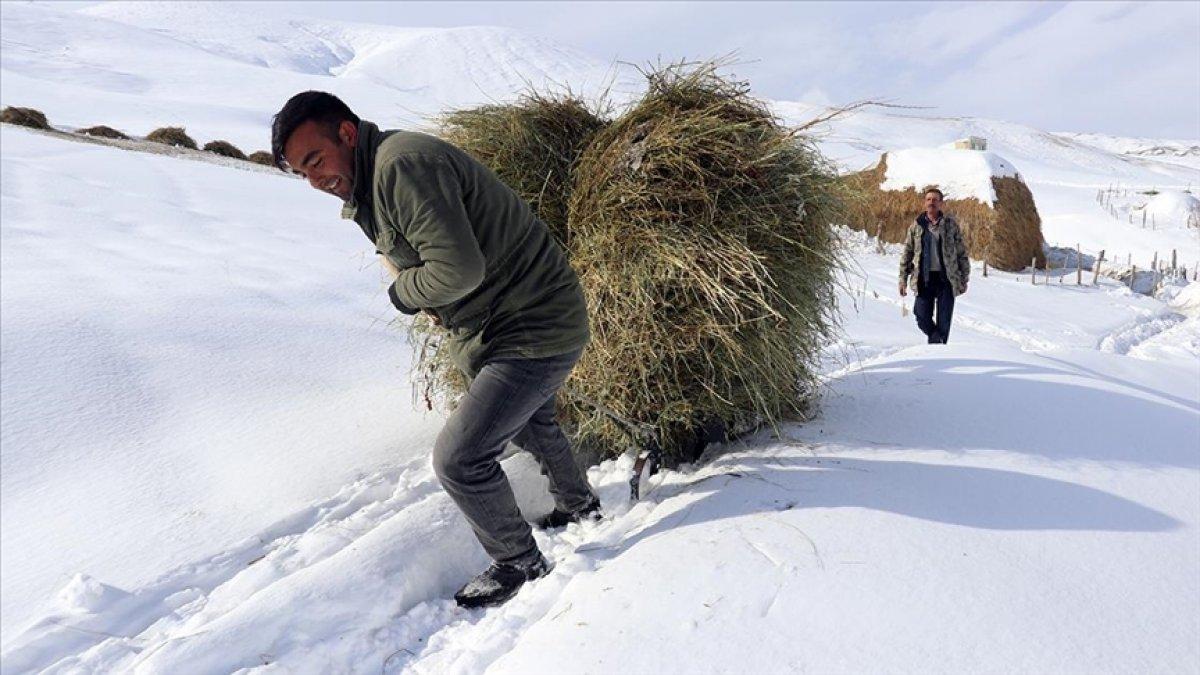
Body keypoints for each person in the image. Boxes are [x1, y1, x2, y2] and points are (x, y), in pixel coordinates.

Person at [270, 91, 601, 609]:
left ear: (347, 134)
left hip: (533, 326)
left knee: (460, 459)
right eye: (301, 173)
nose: (314, 180)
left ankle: (519, 562)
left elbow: (457, 271)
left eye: (315, 160)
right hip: (517, 320)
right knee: (536, 420)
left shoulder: (401, 166)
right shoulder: (375, 178)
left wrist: (404, 293)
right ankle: (580, 507)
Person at [898, 187, 970, 344]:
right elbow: (907, 253)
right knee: (920, 314)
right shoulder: (916, 226)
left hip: (947, 279)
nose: (932, 203)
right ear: (925, 203)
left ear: (941, 203)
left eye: (935, 200)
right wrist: (902, 279)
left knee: (944, 321)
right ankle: (934, 336)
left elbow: (961, 253)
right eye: (929, 199)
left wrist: (964, 279)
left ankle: (937, 353)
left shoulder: (951, 226)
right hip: (924, 279)